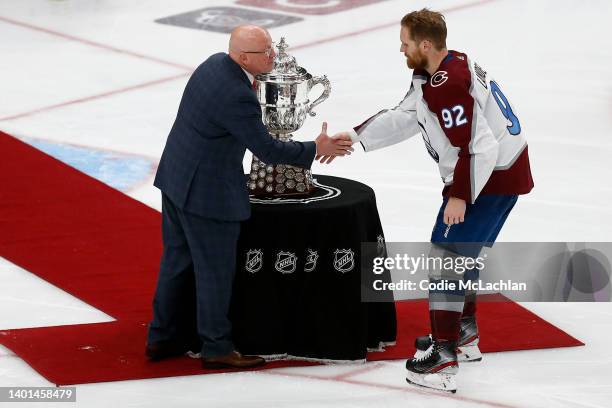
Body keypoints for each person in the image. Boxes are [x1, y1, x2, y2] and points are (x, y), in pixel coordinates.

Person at [323, 9, 534, 392]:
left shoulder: (446, 85)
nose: (400, 49)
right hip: (506, 170)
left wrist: (460, 197)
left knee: (445, 260)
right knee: (462, 258)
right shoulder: (442, 70)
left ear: (424, 44)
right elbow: (406, 115)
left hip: (488, 179)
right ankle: (464, 333)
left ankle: (443, 357)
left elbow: (478, 147)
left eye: (405, 42)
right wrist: (354, 137)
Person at [146, 25, 353, 369]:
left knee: (177, 263)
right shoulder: (236, 94)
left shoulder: (213, 64)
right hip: (206, 194)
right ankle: (216, 347)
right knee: (215, 272)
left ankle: (162, 337)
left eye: (271, 48)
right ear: (243, 58)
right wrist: (316, 148)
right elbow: (268, 149)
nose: (273, 56)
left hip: (177, 178)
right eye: (266, 52)